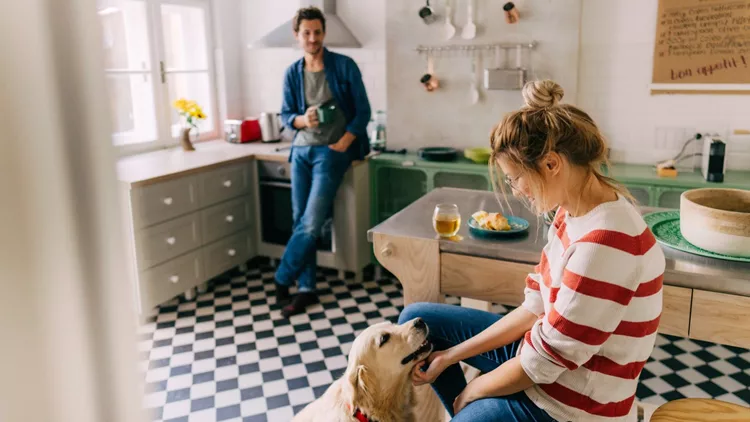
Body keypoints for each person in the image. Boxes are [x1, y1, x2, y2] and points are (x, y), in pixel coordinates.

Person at [398, 80, 666, 422]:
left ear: (552, 164)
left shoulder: (605, 246)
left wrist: (473, 390)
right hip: (549, 364)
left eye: (515, 178)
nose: (516, 191)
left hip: (573, 406)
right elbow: (535, 307)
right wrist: (450, 356)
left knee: (470, 405)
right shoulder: (572, 211)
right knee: (418, 323)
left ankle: (467, 413)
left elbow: (543, 362)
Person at [275, 6, 371, 318]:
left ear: (324, 33)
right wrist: (303, 119)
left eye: (317, 32)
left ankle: (281, 277)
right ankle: (306, 288)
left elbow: (363, 112)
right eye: (306, 33)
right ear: (297, 35)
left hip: (330, 153)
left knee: (312, 221)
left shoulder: (344, 66)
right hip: (301, 152)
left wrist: (344, 141)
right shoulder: (292, 72)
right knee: (299, 220)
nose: (312, 38)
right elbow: (287, 117)